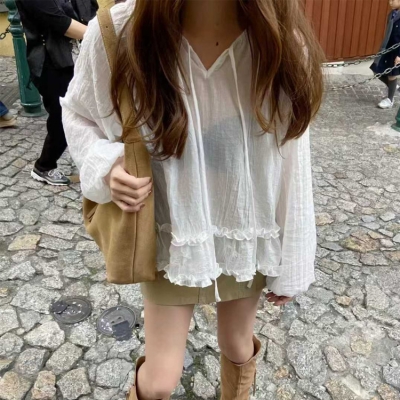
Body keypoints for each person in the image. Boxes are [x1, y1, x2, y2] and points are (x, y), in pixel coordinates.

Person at [62, 0, 324, 398]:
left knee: (237, 343)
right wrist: (105, 165)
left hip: (246, 233)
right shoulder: (119, 31)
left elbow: (292, 158)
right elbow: (77, 113)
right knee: (160, 379)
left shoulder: (279, 37)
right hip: (172, 235)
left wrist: (294, 262)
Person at [16, 0, 98, 185]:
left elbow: (91, 9)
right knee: (61, 119)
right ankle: (44, 166)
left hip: (82, 56)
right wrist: (105, 35)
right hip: (51, 62)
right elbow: (60, 22)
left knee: (92, 111)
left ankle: (93, 161)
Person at [371, 0, 400, 109]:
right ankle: (394, 87)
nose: (390, 2)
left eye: (393, 0)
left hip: (397, 50)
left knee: (392, 74)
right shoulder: (392, 14)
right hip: (387, 47)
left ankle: (390, 100)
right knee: (376, 70)